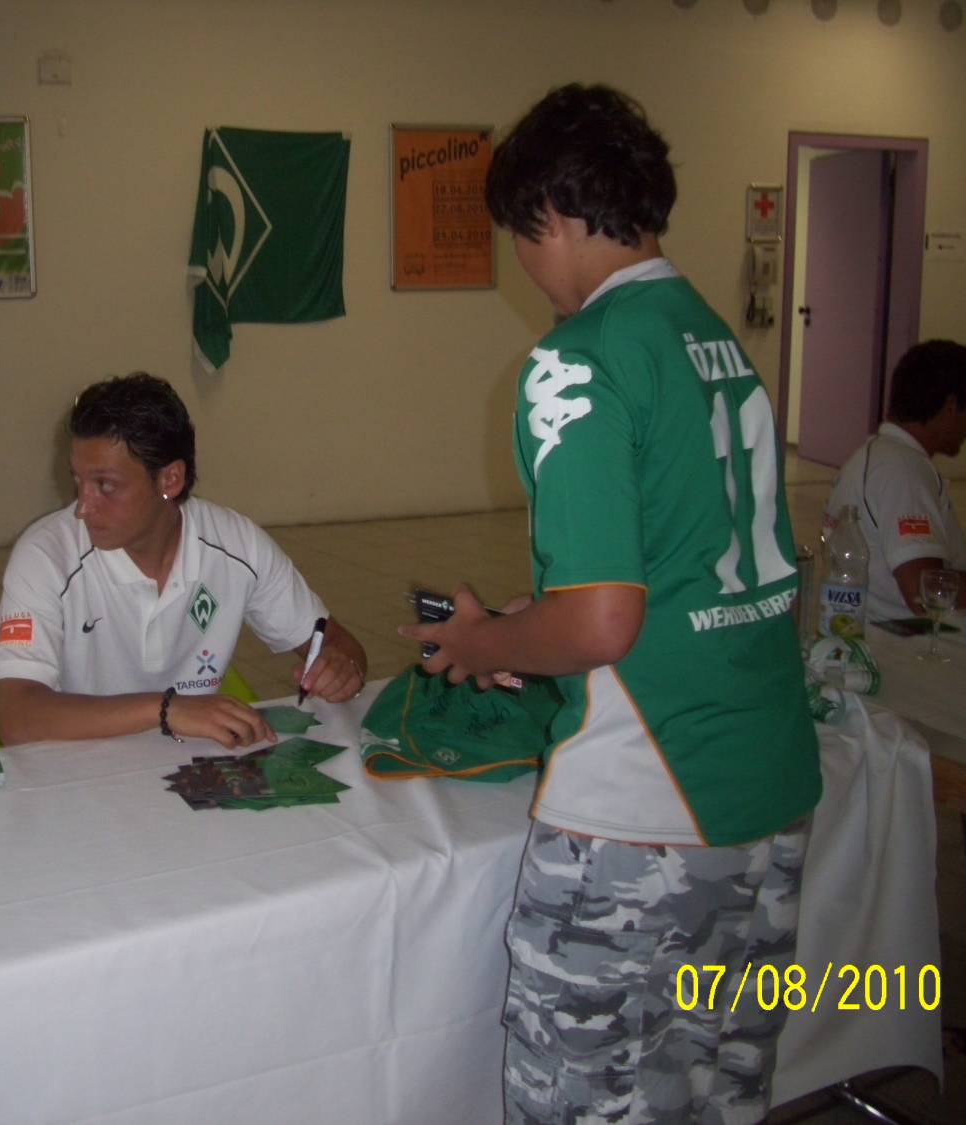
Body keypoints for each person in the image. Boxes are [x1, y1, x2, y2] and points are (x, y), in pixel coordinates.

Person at [402, 84, 821, 1124]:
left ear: (549, 215)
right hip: (768, 787)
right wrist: (527, 620)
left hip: (648, 810)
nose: (524, 264)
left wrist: (484, 640)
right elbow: (678, 565)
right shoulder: (712, 337)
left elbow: (600, 624)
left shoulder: (575, 358)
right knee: (718, 1089)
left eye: (519, 236)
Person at [0, 372, 367, 748]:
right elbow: (16, 719)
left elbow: (340, 646)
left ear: (170, 480)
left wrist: (341, 669)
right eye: (78, 481)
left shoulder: (238, 545)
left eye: (106, 485)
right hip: (77, 767)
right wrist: (166, 710)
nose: (83, 507)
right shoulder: (46, 555)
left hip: (188, 763)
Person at [826, 339, 966, 621]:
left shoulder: (885, 456)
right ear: (951, 407)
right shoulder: (901, 470)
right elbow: (924, 591)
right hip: (905, 635)